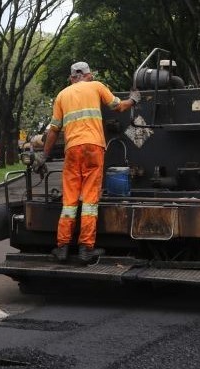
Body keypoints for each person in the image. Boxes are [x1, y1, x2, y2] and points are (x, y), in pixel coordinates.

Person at [42, 61, 137, 264]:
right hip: (94, 147)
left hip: (72, 149)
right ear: (87, 74)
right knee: (90, 201)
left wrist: (44, 155)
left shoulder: (62, 95)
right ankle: (86, 248)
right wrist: (133, 100)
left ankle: (62, 247)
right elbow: (117, 106)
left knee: (69, 200)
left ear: (72, 77)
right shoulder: (96, 86)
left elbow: (54, 129)